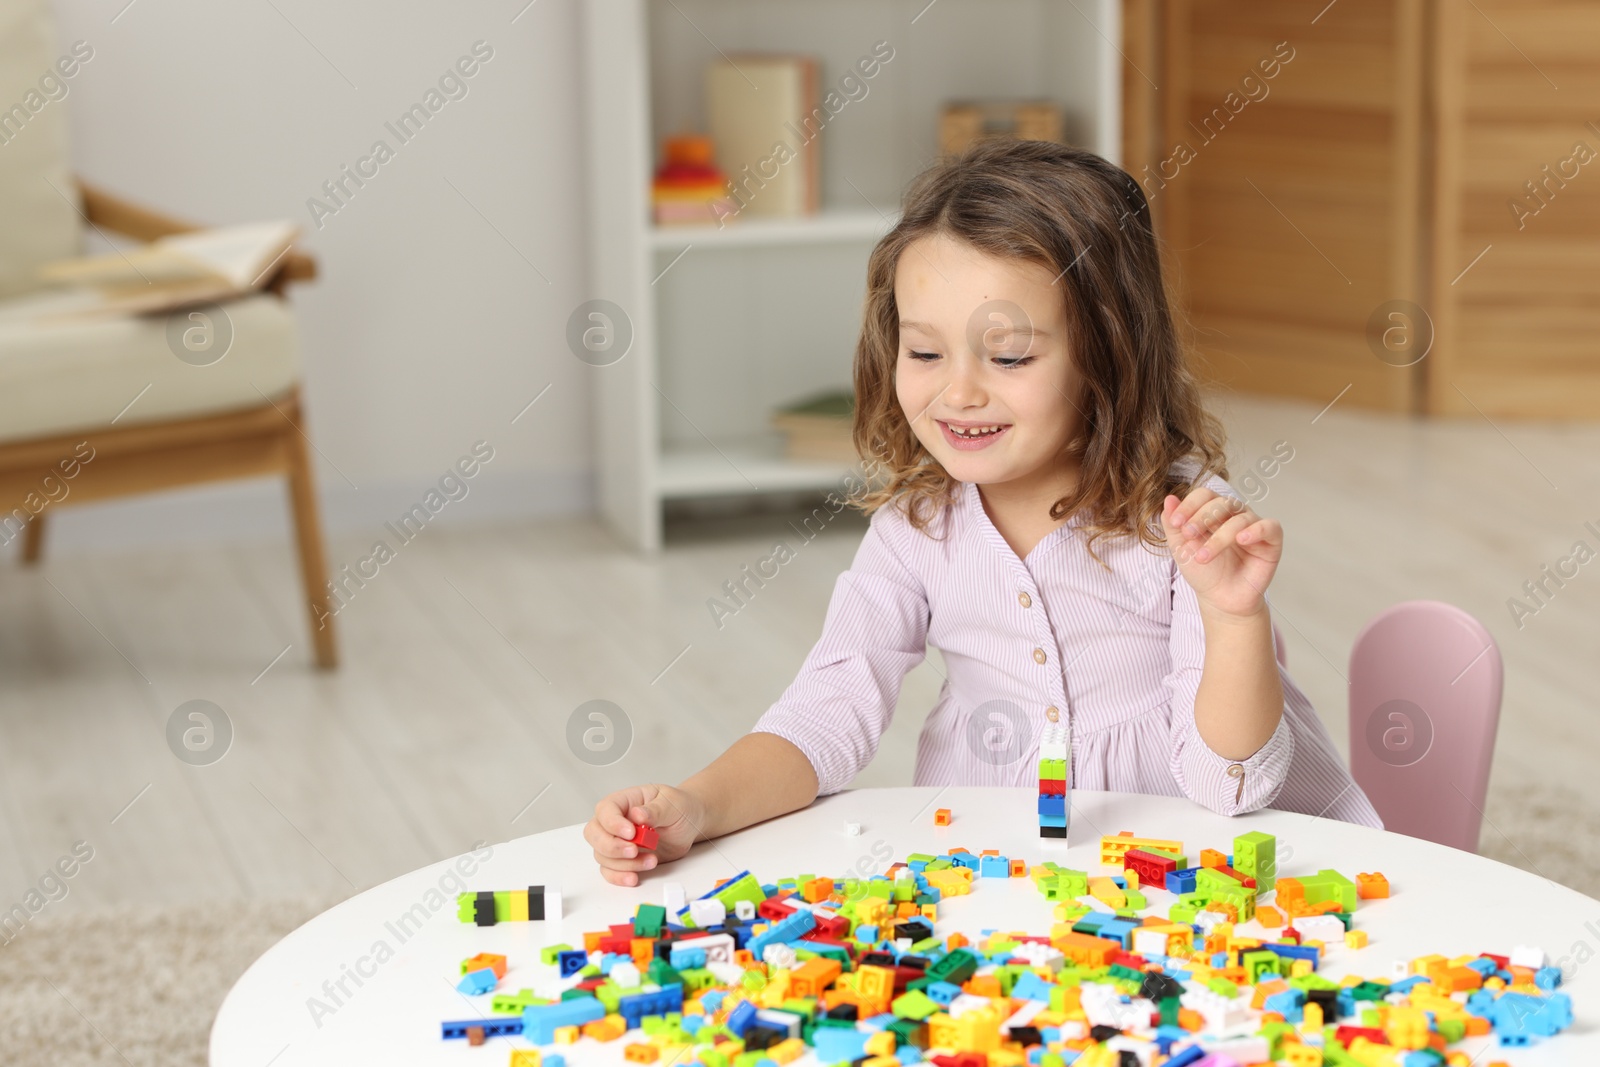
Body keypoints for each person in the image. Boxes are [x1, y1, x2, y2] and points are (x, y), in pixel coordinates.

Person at [584, 139, 1381, 886]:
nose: (958, 391)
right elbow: (825, 715)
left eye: (1008, 357)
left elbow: (1228, 783)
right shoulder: (917, 530)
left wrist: (1234, 618)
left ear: (1108, 351)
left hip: (1211, 868)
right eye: (925, 352)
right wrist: (697, 806)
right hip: (1011, 872)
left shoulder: (1186, 530)